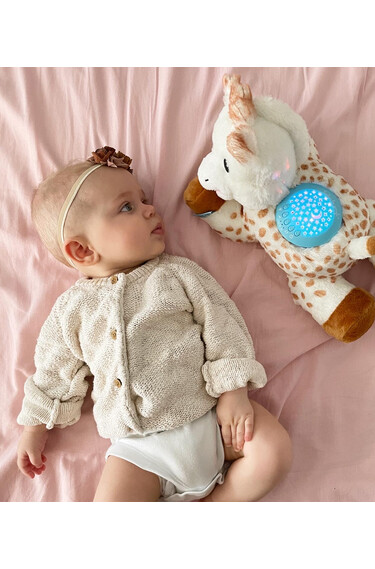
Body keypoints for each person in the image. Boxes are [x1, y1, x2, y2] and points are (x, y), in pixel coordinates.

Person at [16, 147, 292, 502]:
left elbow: (223, 325)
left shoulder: (177, 274)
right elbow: (54, 370)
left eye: (144, 199)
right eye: (126, 207)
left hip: (210, 418)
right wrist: (35, 428)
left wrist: (233, 392)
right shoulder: (73, 309)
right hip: (140, 451)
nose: (149, 209)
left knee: (274, 452)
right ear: (83, 250)